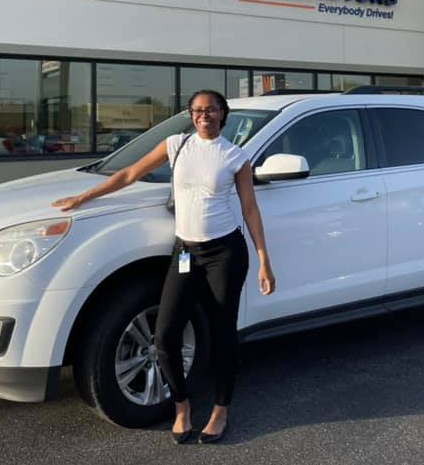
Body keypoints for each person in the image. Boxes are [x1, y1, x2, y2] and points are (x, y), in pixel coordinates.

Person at [52, 89, 275, 444]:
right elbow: (129, 174)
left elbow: (250, 208)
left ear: (222, 114)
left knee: (223, 333)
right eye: (198, 110)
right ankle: (181, 405)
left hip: (225, 254)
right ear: (191, 114)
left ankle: (220, 410)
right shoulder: (176, 145)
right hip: (185, 252)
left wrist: (263, 260)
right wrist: (83, 197)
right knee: (166, 333)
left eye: (212, 109)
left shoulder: (235, 156)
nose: (204, 115)